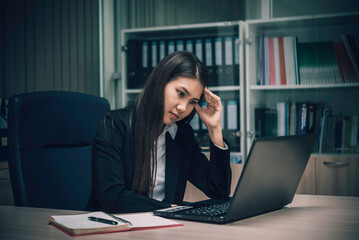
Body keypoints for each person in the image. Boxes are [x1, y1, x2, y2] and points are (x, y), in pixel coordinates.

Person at [88, 50, 231, 213]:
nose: (183, 107)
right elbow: (112, 198)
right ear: (161, 82)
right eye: (180, 93)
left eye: (192, 101)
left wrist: (215, 130)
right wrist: (169, 209)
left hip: (165, 229)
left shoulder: (181, 135)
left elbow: (219, 192)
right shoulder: (114, 125)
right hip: (114, 230)